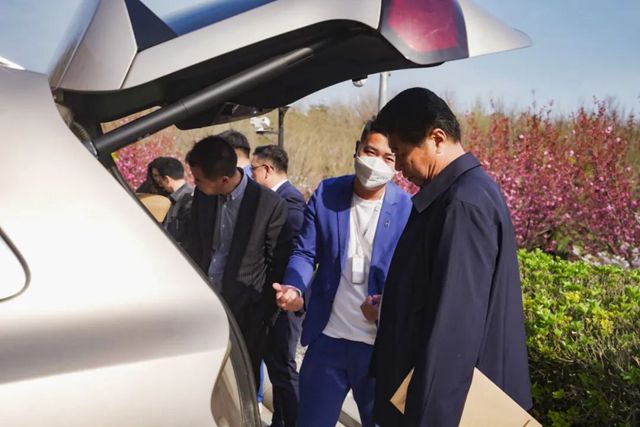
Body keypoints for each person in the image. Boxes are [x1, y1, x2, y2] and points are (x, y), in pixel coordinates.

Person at [370, 88, 532, 426]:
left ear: (437, 139)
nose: (398, 167)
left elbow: (454, 328)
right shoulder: (457, 194)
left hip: (446, 407)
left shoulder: (462, 204)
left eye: (400, 152)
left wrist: (430, 418)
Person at [273, 122, 412, 427]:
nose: (375, 162)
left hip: (378, 349)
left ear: (397, 164)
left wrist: (385, 307)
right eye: (370, 151)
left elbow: (412, 278)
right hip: (328, 339)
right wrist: (294, 287)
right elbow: (305, 252)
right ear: (357, 148)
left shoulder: (407, 208)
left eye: (388, 157)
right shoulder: (328, 193)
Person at [185, 136, 288, 390]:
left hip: (245, 313)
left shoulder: (268, 205)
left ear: (223, 180)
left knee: (242, 383)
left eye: (199, 179)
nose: (195, 183)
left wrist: (261, 311)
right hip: (205, 304)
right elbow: (195, 243)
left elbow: (276, 263)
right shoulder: (203, 196)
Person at [251, 145, 306, 427]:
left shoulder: (290, 202)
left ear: (267, 170)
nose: (251, 176)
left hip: (285, 299)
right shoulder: (277, 200)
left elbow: (297, 252)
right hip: (274, 298)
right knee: (276, 366)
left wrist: (287, 289)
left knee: (283, 367)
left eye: (253, 170)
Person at [149, 156, 193, 248]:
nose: (158, 183)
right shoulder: (172, 198)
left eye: (158, 178)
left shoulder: (189, 201)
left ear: (167, 180)